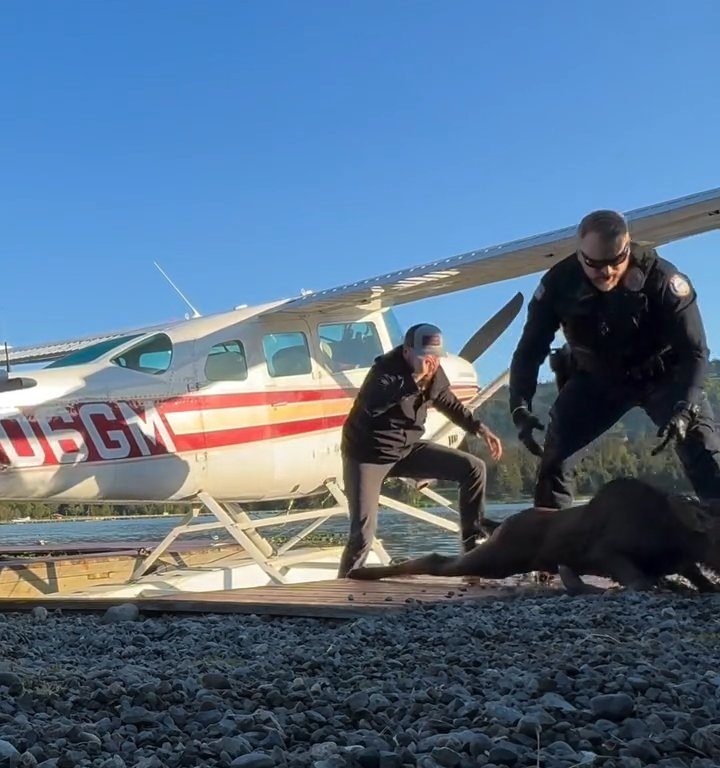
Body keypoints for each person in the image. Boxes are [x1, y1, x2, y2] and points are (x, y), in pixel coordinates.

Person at [509, 208, 720, 510]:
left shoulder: (662, 278)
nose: (606, 272)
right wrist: (519, 405)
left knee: (703, 450)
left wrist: (685, 409)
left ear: (628, 247)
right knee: (555, 459)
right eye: (594, 264)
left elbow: (695, 351)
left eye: (615, 261)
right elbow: (529, 351)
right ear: (579, 253)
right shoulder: (558, 284)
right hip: (599, 379)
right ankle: (551, 547)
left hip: (663, 375)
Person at [337, 323, 503, 578]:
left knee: (473, 468)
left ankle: (473, 550)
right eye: (425, 356)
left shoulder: (435, 373)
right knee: (362, 534)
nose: (431, 362)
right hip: (368, 456)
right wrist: (413, 379)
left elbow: (448, 402)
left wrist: (479, 428)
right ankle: (345, 584)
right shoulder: (384, 372)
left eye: (436, 357)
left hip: (407, 450)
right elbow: (373, 405)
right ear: (406, 352)